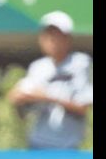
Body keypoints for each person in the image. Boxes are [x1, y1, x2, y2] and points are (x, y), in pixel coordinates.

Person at [7, 10, 93, 149]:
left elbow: (82, 108)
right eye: (47, 35)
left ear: (67, 38)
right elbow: (23, 115)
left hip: (68, 146)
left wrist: (47, 97)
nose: (51, 40)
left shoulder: (80, 64)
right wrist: (19, 101)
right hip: (37, 145)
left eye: (56, 35)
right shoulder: (37, 67)